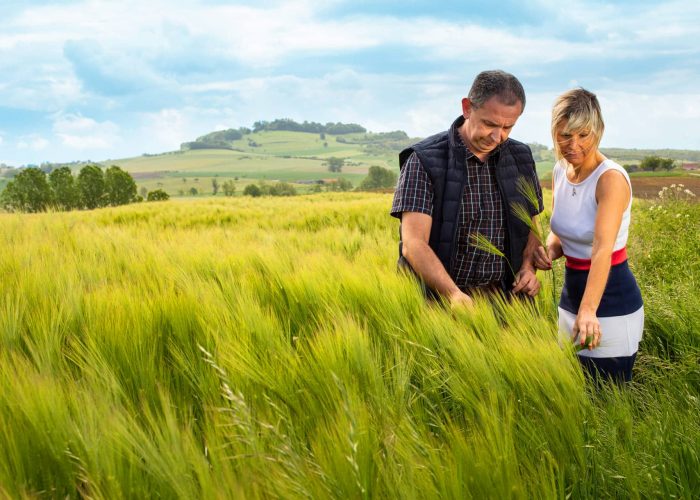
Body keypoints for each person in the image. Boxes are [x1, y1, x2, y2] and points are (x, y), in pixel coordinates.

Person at [391, 70, 544, 307]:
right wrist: (452, 294)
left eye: (508, 127)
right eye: (489, 124)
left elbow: (531, 226)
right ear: (467, 108)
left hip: (508, 305)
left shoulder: (521, 157)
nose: (497, 136)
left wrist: (527, 267)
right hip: (437, 303)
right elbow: (413, 244)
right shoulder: (424, 160)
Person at [533, 88, 644, 383]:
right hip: (571, 298)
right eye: (565, 135)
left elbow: (601, 249)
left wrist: (588, 310)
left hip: (609, 299)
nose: (574, 145)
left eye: (583, 134)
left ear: (599, 131)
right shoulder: (560, 170)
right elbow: (559, 235)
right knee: (573, 391)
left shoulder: (610, 179)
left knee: (607, 398)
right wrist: (547, 252)